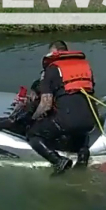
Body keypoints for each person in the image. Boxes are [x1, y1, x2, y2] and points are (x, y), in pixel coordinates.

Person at [26, 40, 98, 174]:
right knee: (78, 128)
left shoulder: (52, 69)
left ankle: (58, 161)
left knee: (33, 133)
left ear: (53, 53)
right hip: (90, 121)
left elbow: (46, 104)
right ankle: (83, 155)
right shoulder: (84, 66)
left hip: (66, 121)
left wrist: (33, 119)